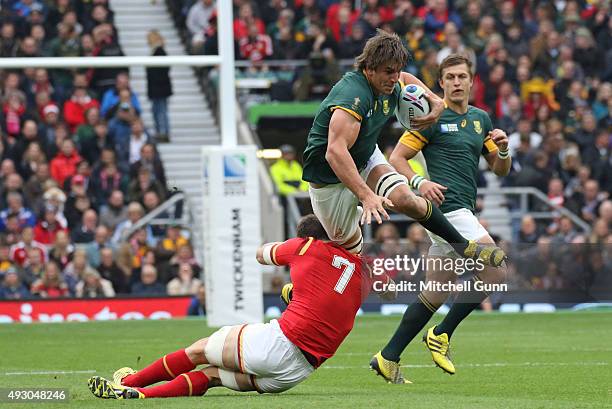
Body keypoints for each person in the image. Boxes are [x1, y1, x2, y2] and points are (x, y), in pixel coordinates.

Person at [87, 214, 394, 399]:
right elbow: (387, 292)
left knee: (197, 351)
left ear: (308, 237)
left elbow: (261, 254)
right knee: (212, 376)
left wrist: (292, 251)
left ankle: (131, 384)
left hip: (279, 344)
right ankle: (139, 393)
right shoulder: (363, 269)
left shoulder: (304, 246)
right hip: (295, 374)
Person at [302, 30, 505, 265]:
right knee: (348, 246)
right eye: (388, 72)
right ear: (369, 68)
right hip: (329, 178)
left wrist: (436, 101)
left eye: (396, 70)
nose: (394, 77)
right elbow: (335, 153)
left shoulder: (391, 82)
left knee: (406, 200)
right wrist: (366, 195)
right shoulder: (353, 95)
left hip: (365, 156)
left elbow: (406, 78)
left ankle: (462, 246)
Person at [370, 54, 512, 383]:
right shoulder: (430, 116)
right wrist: (420, 182)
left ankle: (388, 356)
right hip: (448, 210)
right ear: (442, 83)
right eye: (450, 78)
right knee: (496, 269)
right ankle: (442, 333)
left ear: (472, 81)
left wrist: (503, 150)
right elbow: (397, 158)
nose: (457, 82)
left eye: (462, 77)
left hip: (459, 213)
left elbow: (499, 169)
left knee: (435, 292)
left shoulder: (481, 120)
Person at [146, 30, 172, 142]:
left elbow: (161, 72)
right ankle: (160, 131)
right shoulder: (156, 52)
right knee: (157, 110)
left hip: (160, 88)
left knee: (161, 111)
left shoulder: (159, 52)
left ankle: (163, 132)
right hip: (157, 88)